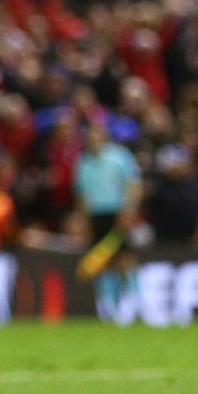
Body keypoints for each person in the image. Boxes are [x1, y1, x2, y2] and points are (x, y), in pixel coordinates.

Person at [72, 120, 142, 320]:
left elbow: (133, 185)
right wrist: (83, 219)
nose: (92, 140)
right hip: (96, 214)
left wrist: (129, 210)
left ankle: (135, 302)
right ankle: (108, 306)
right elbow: (81, 194)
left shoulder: (120, 157)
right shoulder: (83, 162)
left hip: (117, 212)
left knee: (125, 258)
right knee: (102, 260)